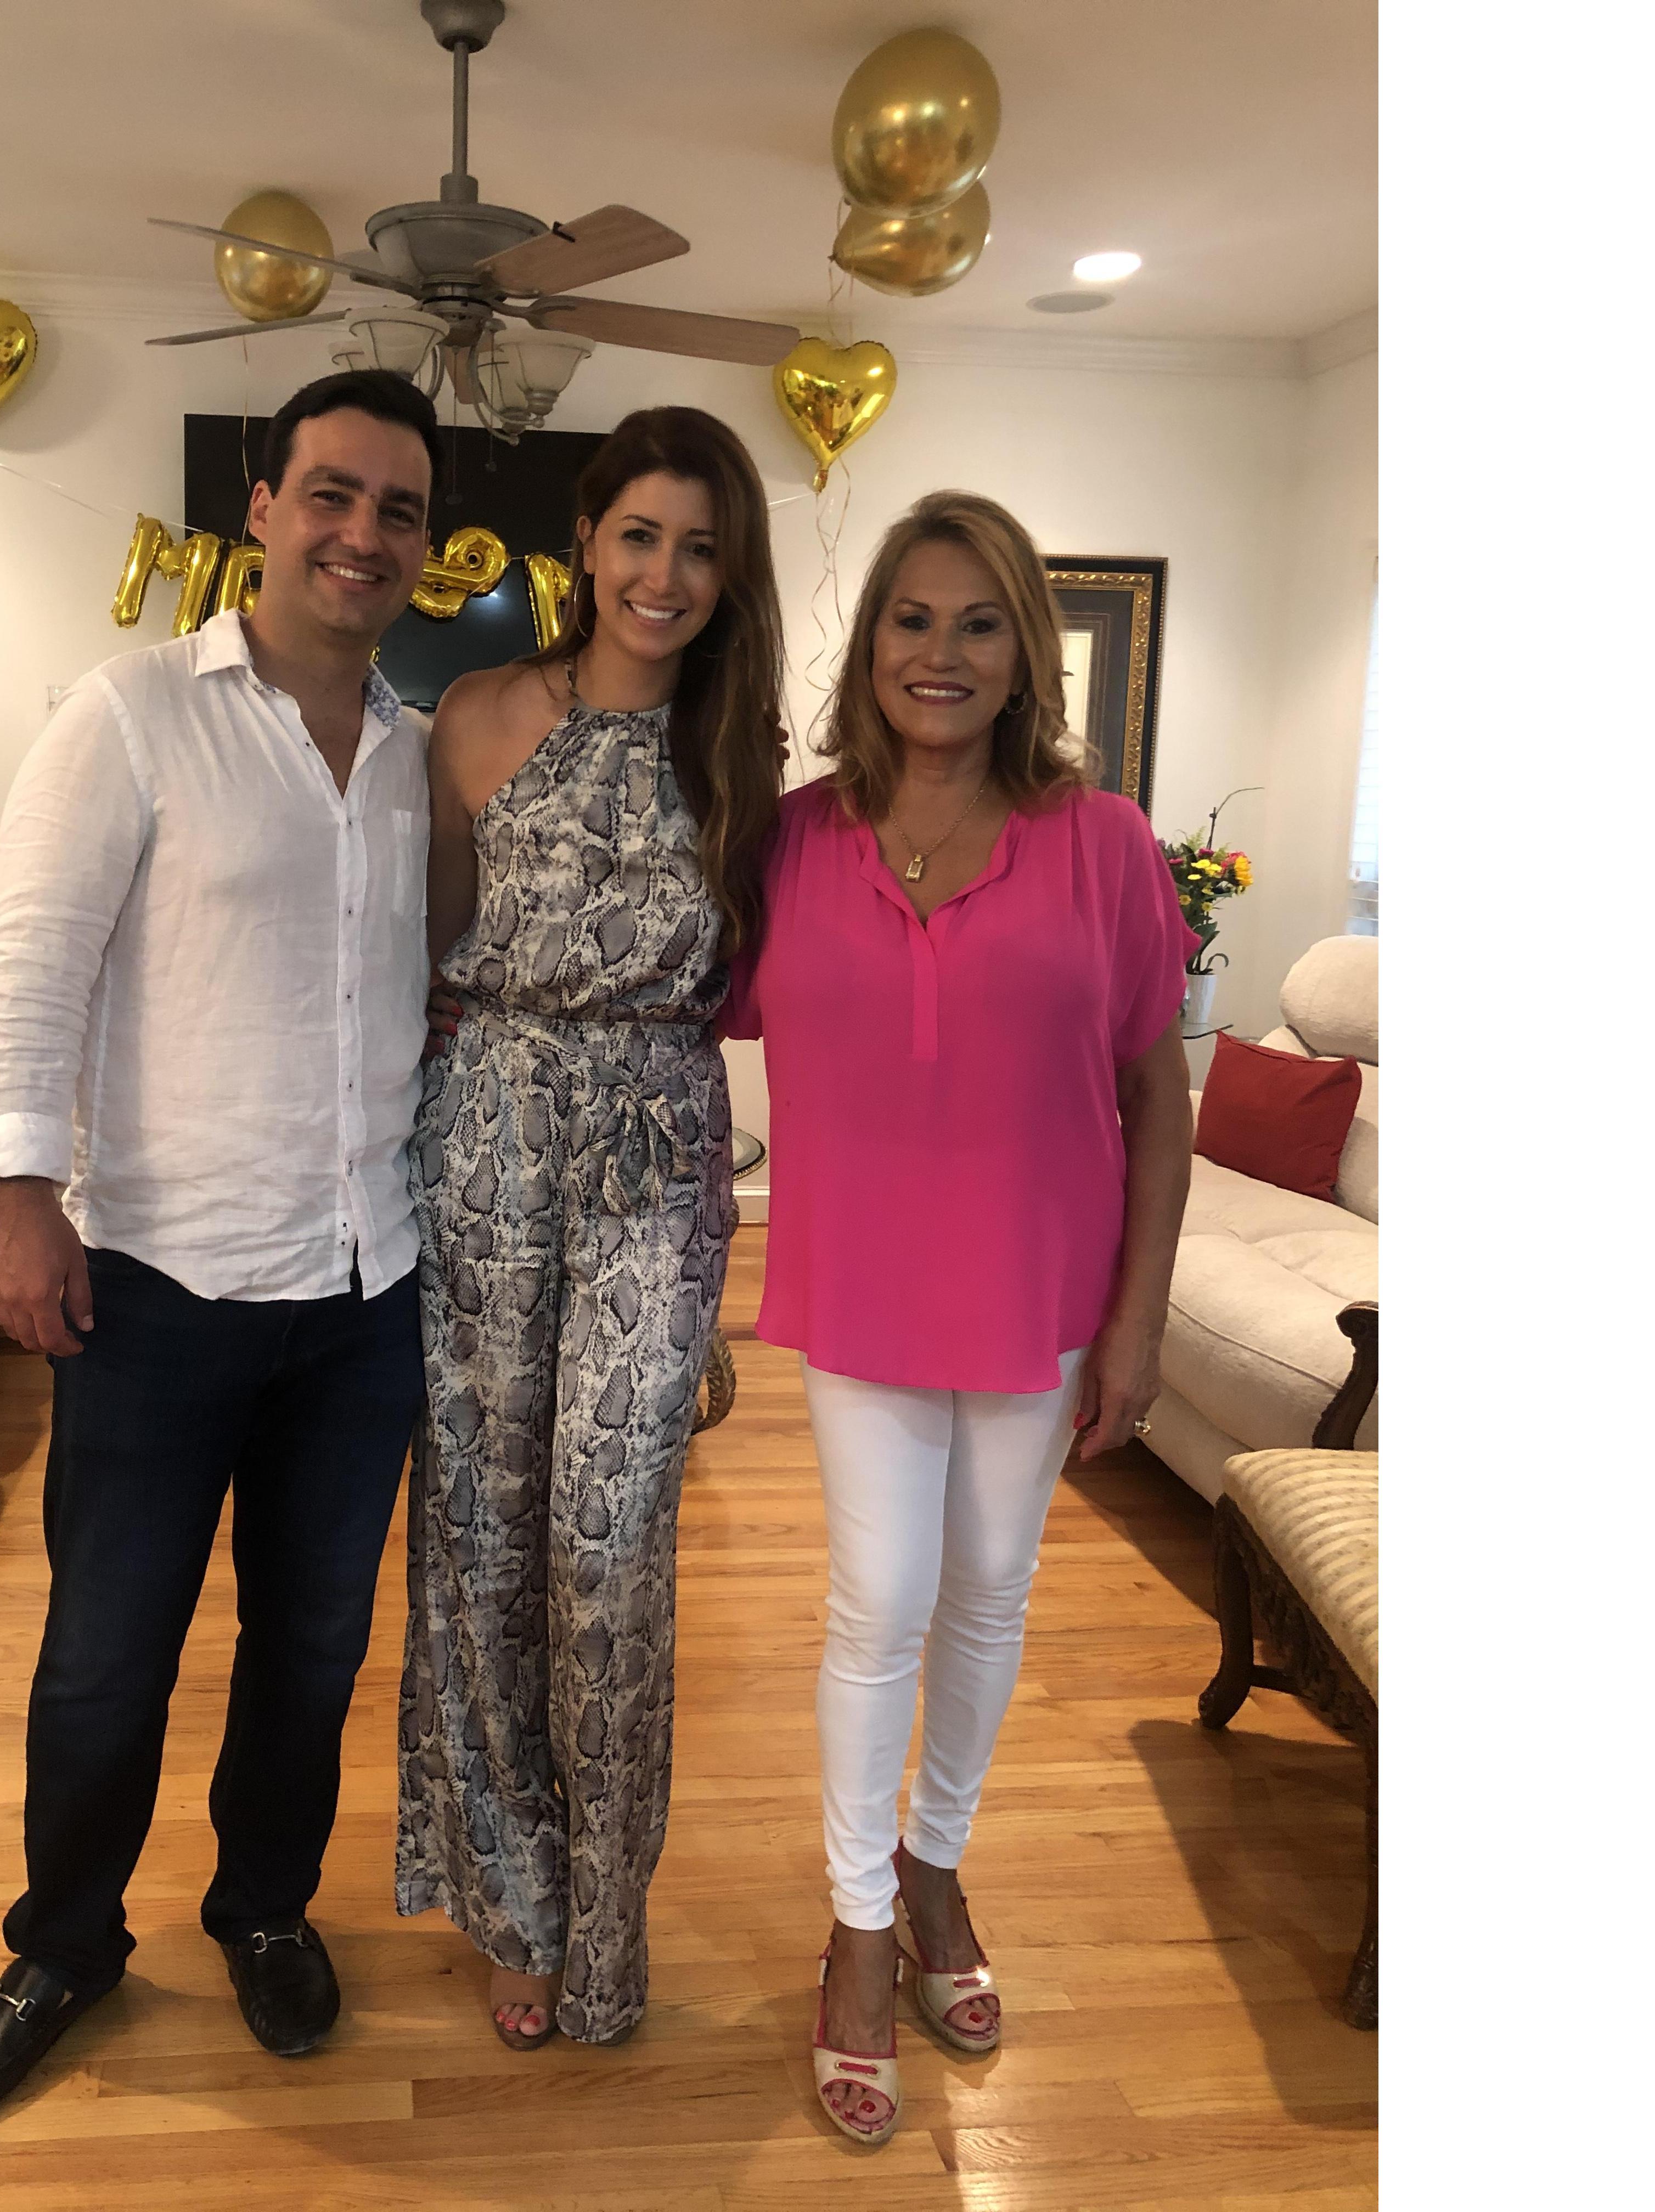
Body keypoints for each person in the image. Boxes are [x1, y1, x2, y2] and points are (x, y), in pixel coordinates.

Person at [0, 369, 442, 2125]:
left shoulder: (423, 758)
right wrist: (18, 1203)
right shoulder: (131, 713)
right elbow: (30, 965)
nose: (362, 533)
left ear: (425, 548)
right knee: (106, 1652)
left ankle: (263, 1906)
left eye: (399, 509)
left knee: (312, 1647)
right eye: (331, 494)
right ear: (263, 510)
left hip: (364, 1295)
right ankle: (63, 1944)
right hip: (158, 1289)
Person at [720, 490, 1197, 2145]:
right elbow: (671, 1018)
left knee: (990, 1598)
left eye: (979, 623)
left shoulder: (1106, 843)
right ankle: (859, 1926)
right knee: (882, 1601)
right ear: (872, 648)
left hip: (1044, 1294)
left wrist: (1137, 1324)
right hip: (860, 1288)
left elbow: (1159, 1099)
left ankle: (935, 1871)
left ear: (1025, 654)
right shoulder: (791, 842)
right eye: (913, 621)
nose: (943, 653)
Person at [397, 407, 786, 2050]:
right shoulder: (477, 715)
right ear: (588, 537)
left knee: (611, 1549)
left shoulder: (744, 756)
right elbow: (417, 954)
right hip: (484, 1134)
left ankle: (605, 1920)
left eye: (701, 547)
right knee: (481, 1533)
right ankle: (514, 1906)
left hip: (656, 1151)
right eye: (642, 535)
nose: (666, 575)